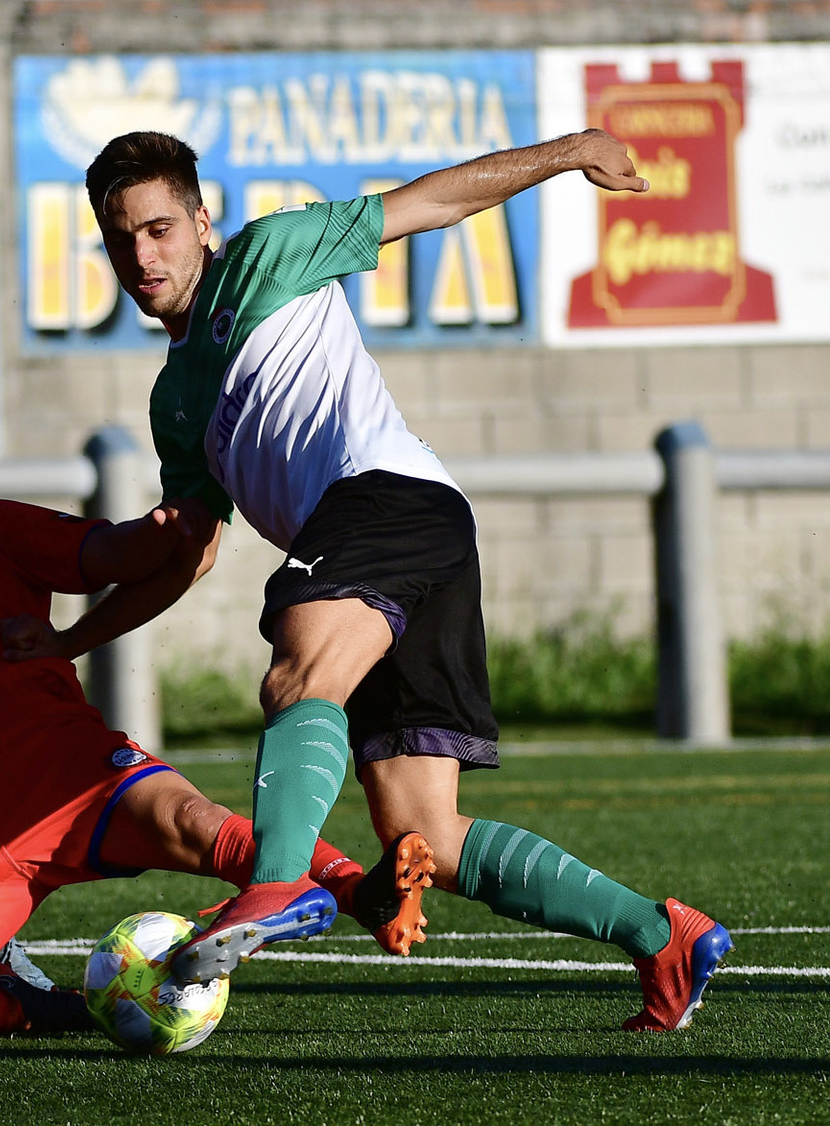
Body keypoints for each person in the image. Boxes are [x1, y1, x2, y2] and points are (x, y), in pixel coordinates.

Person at [63, 129, 728, 1031]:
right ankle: (665, 936)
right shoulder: (173, 399)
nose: (142, 256)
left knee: (298, 668)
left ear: (201, 221)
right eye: (121, 239)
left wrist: (572, 150)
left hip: (388, 499)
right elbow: (189, 553)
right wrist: (67, 642)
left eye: (159, 229)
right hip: (408, 547)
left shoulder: (268, 253)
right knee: (432, 837)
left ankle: (276, 886)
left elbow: (432, 202)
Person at [0, 411, 430, 1043]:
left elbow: (116, 556)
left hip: (64, 772)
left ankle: (354, 891)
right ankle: (21, 1004)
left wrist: (169, 522)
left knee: (191, 819)